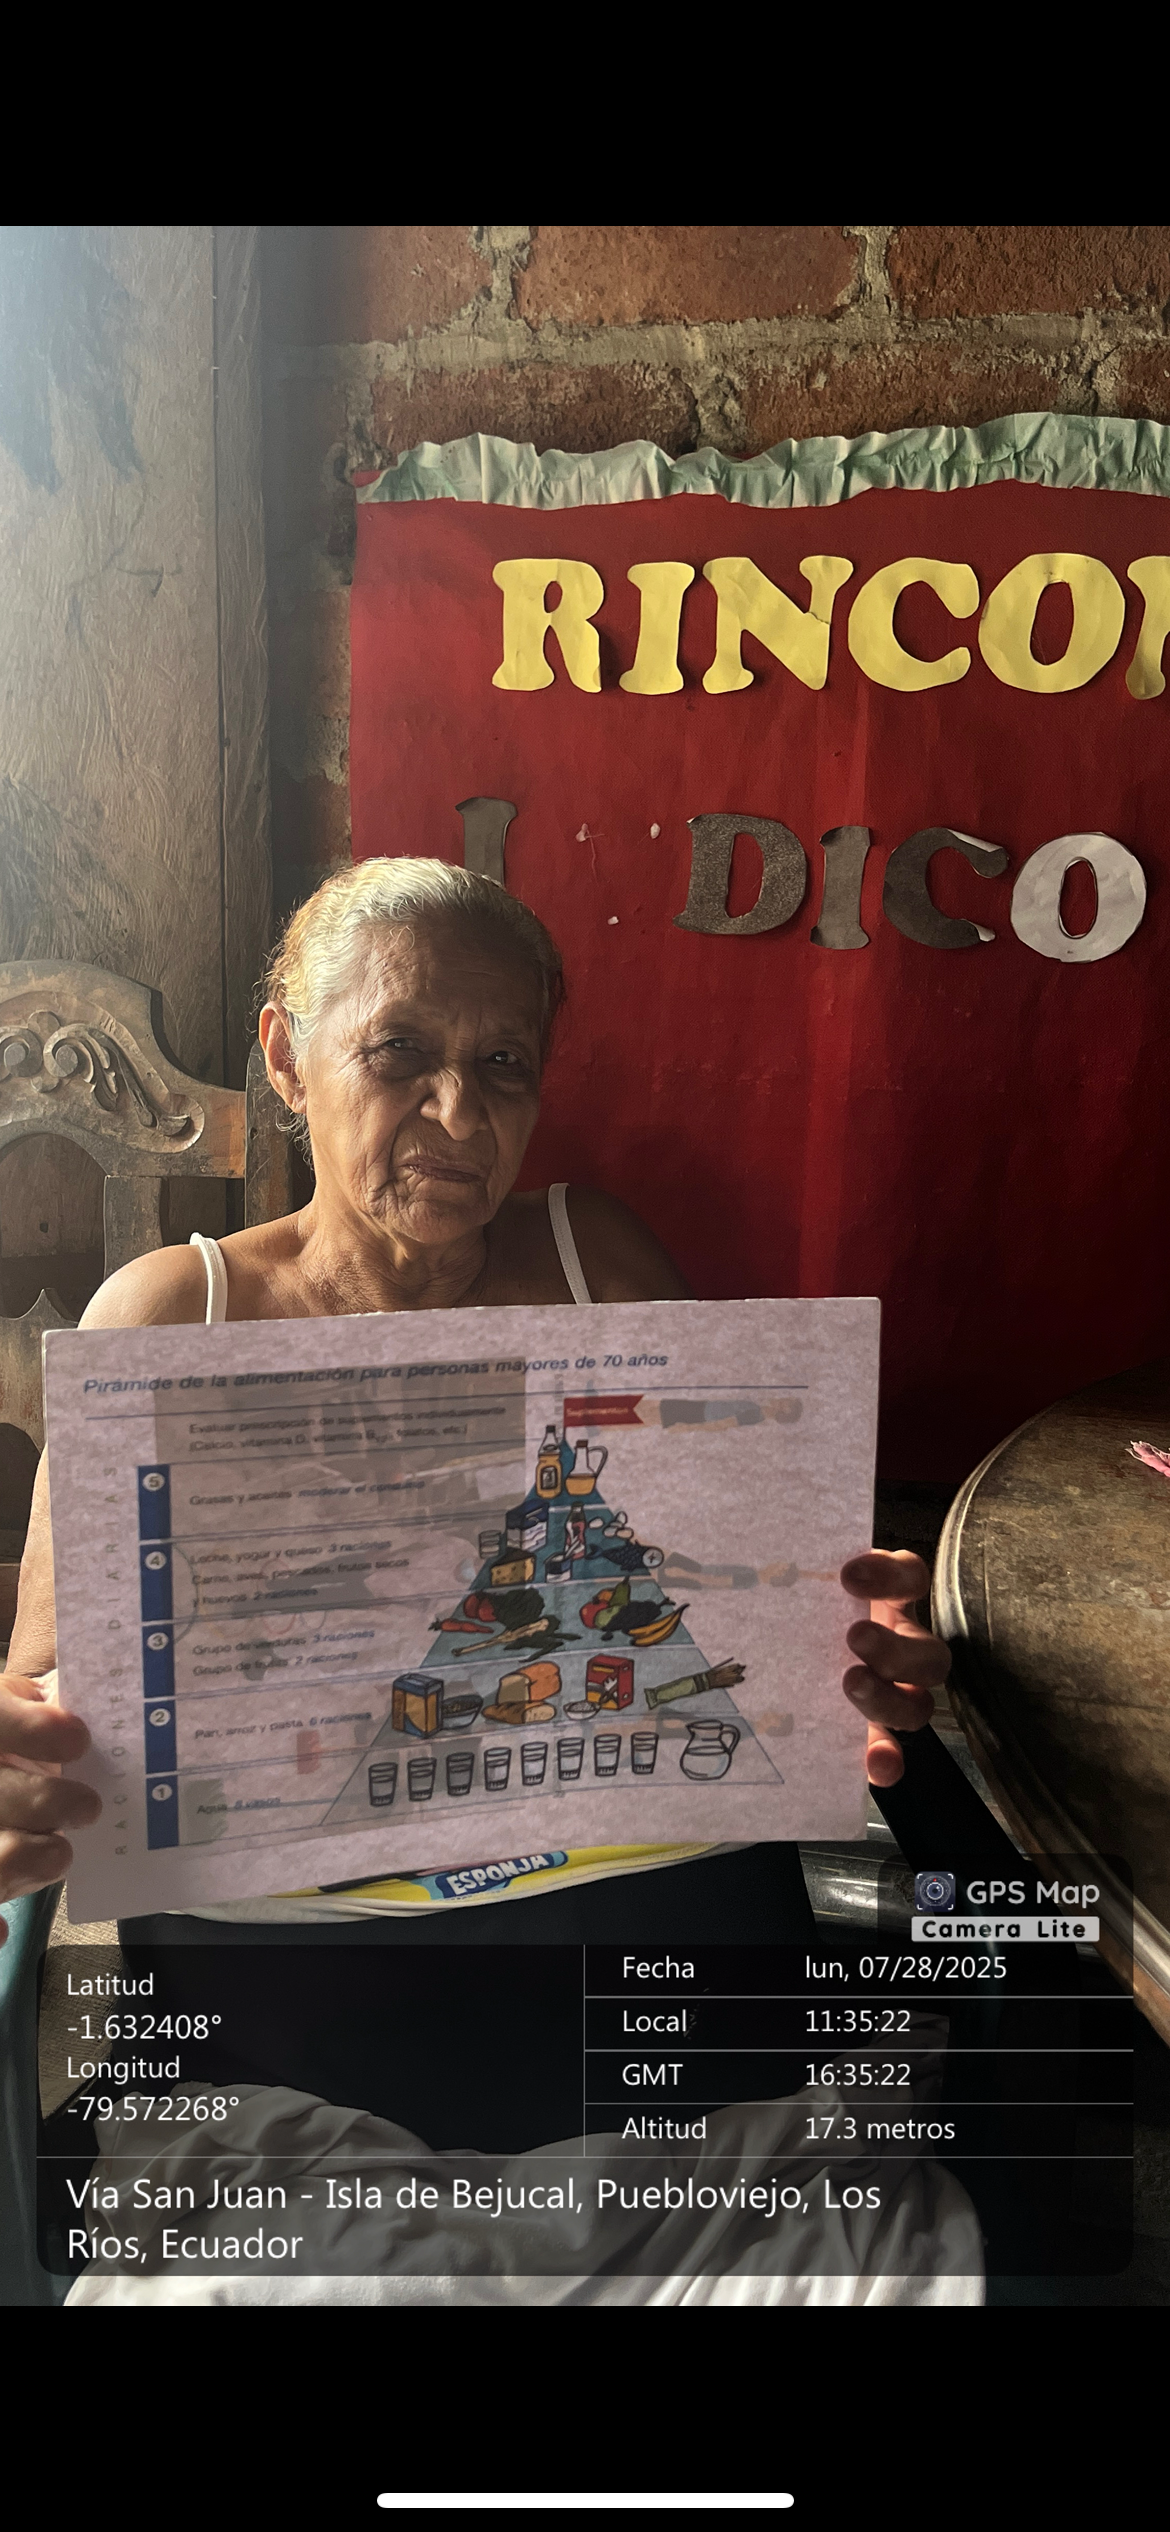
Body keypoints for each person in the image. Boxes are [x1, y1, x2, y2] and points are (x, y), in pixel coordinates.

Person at [0, 859, 948, 2140]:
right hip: (301, 1966)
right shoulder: (173, 1317)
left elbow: (743, 1588)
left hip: (638, 1924)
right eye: (399, 1051)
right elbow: (46, 1689)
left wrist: (843, 1636)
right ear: (286, 1059)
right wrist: (22, 1762)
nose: (459, 1111)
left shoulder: (597, 1259)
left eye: (504, 1064)